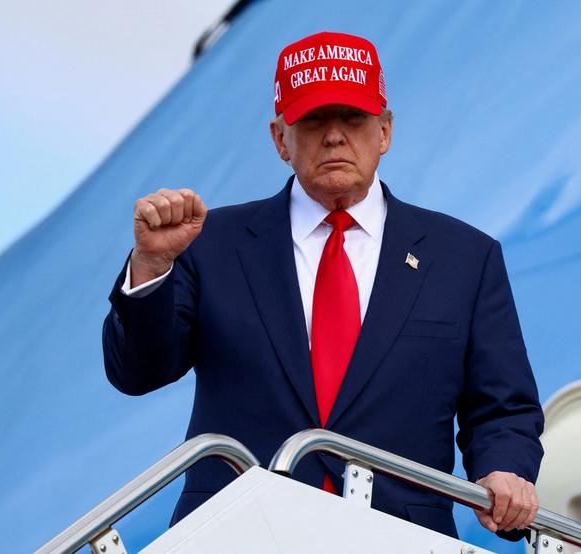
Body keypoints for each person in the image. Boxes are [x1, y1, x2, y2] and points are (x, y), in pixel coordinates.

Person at [103, 31, 544, 541]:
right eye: (313, 119)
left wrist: (505, 469)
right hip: (239, 533)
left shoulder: (465, 257)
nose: (334, 135)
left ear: (384, 131)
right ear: (279, 139)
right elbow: (137, 372)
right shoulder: (209, 242)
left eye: (353, 118)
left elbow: (502, 406)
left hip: (397, 538)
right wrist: (152, 265)